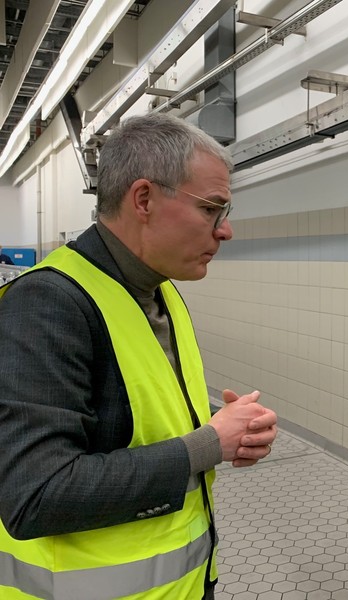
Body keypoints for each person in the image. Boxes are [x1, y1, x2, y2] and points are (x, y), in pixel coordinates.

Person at [0, 113, 278, 599]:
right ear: (144, 199)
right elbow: (34, 495)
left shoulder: (160, 293)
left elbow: (126, 417)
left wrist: (224, 426)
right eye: (213, 208)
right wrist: (210, 443)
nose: (225, 230)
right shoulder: (46, 303)